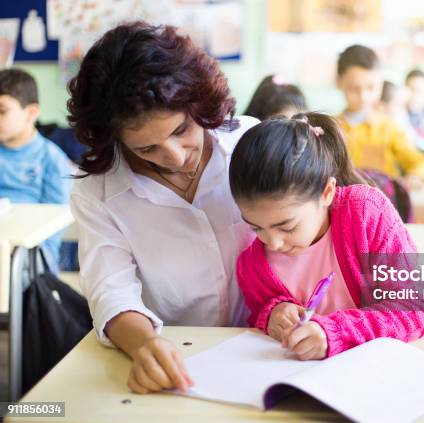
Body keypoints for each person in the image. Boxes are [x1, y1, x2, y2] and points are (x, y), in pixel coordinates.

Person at [67, 21, 258, 394]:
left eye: (181, 130)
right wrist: (145, 345)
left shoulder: (247, 145)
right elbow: (111, 289)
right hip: (174, 356)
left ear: (199, 104)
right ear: (116, 142)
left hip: (268, 343)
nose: (174, 158)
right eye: (146, 148)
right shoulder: (99, 190)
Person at [229, 112, 424, 360]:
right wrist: (273, 314)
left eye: (287, 227)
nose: (272, 242)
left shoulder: (366, 213)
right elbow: (260, 310)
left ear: (327, 192)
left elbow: (415, 308)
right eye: (256, 228)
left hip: (377, 373)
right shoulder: (252, 265)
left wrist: (335, 333)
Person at [335, 45, 424, 190]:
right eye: (354, 89)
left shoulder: (389, 128)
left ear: (380, 84)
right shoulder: (330, 129)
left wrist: (417, 175)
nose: (363, 96)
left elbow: (423, 164)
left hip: (382, 207)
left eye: (371, 88)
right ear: (339, 82)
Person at [0, 68, 72, 267]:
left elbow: (53, 228)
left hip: (29, 259)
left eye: (2, 111)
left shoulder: (51, 160)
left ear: (31, 113)